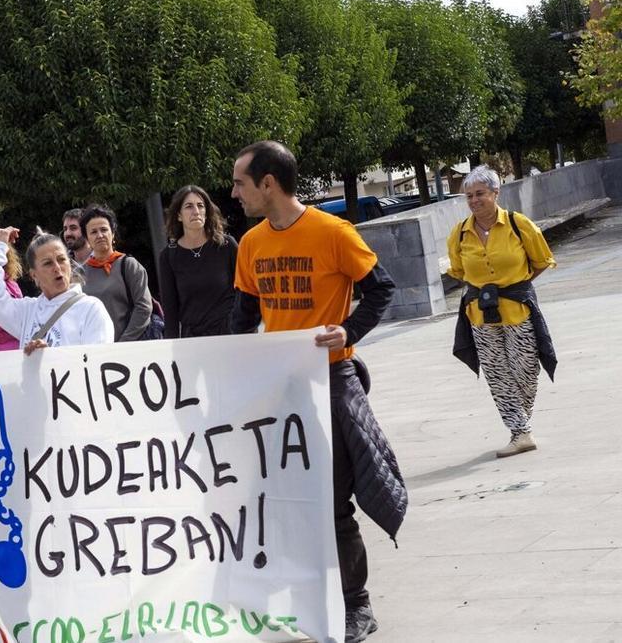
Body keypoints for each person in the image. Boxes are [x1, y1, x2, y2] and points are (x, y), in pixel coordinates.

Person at [229, 141, 405, 643]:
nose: (234, 192)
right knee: (284, 499)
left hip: (331, 381)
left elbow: (382, 289)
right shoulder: (251, 244)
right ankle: (307, 595)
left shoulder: (333, 233)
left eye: (241, 182)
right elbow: (241, 319)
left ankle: (357, 605)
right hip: (279, 389)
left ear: (268, 183)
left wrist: (347, 331)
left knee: (332, 502)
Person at [447, 165, 557, 458]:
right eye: (468, 196)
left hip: (517, 309)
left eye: (480, 194)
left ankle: (520, 422)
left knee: (525, 368)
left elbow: (542, 260)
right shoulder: (459, 234)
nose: (473, 200)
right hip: (480, 315)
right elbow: (459, 271)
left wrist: (515, 286)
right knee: (497, 372)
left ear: (496, 193)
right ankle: (520, 432)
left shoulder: (519, 225)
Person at [0, 227, 113, 353]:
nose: (57, 268)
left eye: (61, 260)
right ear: (34, 275)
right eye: (48, 263)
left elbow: (98, 364)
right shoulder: (28, 311)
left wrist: (50, 358)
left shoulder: (91, 308)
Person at [158, 184, 238, 338]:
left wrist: (248, 329)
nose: (196, 211)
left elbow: (246, 290)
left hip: (231, 334)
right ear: (179, 215)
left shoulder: (227, 245)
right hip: (194, 340)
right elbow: (170, 309)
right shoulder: (168, 256)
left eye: (200, 206)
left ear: (207, 212)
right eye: (188, 206)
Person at [78, 205, 154, 341]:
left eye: (104, 230)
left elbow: (144, 307)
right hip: (91, 351)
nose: (100, 235)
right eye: (93, 232)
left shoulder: (128, 265)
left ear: (112, 233)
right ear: (87, 238)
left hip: (127, 348)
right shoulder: (79, 274)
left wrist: (123, 343)